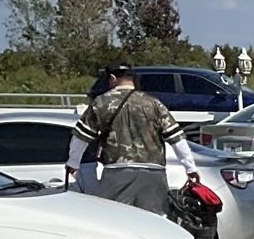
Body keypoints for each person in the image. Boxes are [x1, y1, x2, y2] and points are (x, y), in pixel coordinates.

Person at [66, 63, 200, 213]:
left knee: (116, 218)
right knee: (154, 220)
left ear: (112, 78)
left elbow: (81, 137)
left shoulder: (101, 102)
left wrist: (73, 163)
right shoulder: (153, 103)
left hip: (117, 171)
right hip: (154, 172)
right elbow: (177, 139)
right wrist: (190, 168)